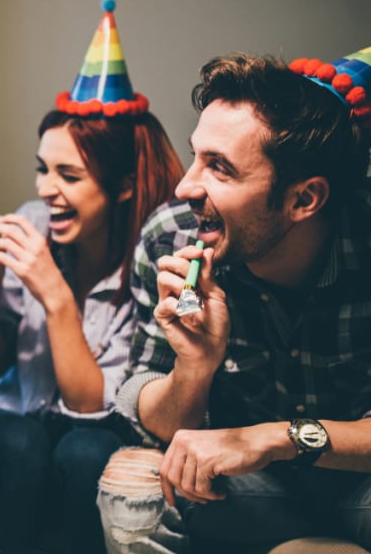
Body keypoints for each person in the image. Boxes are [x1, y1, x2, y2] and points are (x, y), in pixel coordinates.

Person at [97, 51, 371, 552]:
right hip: (252, 492)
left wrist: (274, 437)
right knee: (132, 479)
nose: (185, 186)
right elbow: (157, 418)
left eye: (219, 168)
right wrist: (194, 367)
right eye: (195, 155)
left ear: (304, 199)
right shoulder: (173, 239)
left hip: (361, 489)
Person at [0, 0, 182, 553]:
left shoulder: (150, 258)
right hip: (22, 415)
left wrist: (54, 293)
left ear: (123, 185)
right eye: (42, 169)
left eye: (68, 175)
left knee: (83, 450)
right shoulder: (35, 223)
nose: (44, 190)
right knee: (24, 441)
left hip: (96, 419)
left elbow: (88, 407)